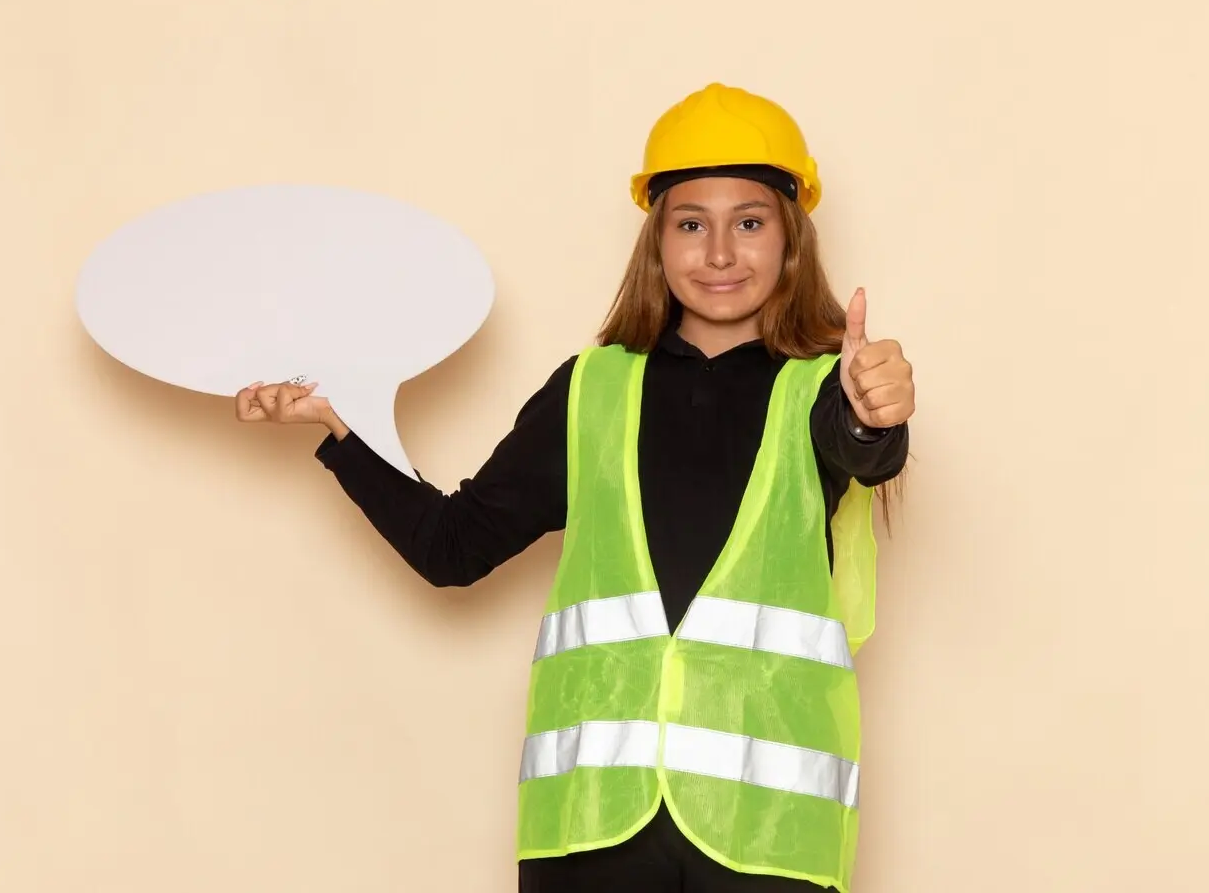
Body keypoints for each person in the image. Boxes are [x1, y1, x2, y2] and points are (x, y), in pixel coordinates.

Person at [236, 82, 914, 893]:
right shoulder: (590, 389)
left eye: (751, 223)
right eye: (691, 223)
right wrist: (339, 431)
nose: (721, 253)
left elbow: (866, 449)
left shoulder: (824, 393)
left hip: (767, 837)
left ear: (791, 238)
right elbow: (453, 548)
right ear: (656, 241)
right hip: (593, 829)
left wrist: (876, 413)